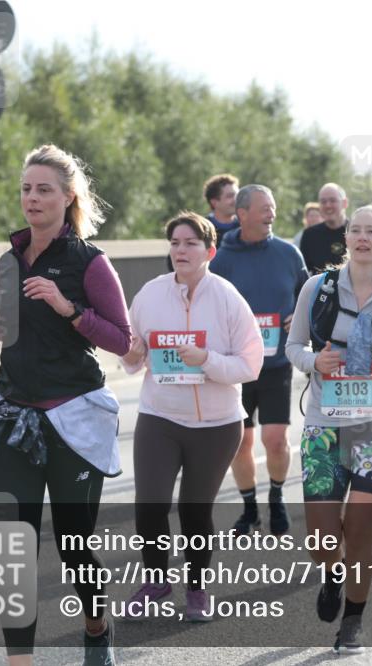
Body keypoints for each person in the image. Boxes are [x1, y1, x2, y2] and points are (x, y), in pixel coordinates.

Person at [0, 144, 132, 666]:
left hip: (73, 419)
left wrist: (69, 308)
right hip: (14, 418)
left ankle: (97, 625)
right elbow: (15, 336)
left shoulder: (90, 262)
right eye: (25, 189)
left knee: (74, 548)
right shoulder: (7, 262)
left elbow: (123, 341)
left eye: (43, 189)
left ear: (68, 197)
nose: (31, 198)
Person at [285, 205, 372, 654]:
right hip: (326, 426)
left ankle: (353, 621)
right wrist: (314, 361)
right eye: (355, 230)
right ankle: (333, 572)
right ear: (345, 239)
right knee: (323, 540)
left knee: (361, 532)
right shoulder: (317, 288)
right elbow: (292, 345)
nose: (362, 237)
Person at [120, 211, 263, 622]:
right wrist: (131, 352)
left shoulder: (228, 298)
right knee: (149, 504)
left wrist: (207, 360)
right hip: (160, 417)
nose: (180, 250)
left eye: (190, 244)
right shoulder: (150, 293)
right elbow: (133, 353)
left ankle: (197, 588)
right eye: (175, 243)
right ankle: (155, 580)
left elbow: (250, 365)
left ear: (210, 251)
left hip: (217, 425)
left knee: (194, 510)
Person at [210, 185, 309, 536]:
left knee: (276, 440)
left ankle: (277, 498)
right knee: (241, 442)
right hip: (236, 367)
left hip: (277, 363)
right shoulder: (222, 259)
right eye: (264, 208)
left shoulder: (288, 253)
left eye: (273, 207)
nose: (272, 214)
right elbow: (209, 305)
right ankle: (250, 507)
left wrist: (299, 313)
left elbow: (308, 295)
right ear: (242, 214)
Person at [300, 182, 350, 274]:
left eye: (332, 200)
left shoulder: (357, 232)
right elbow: (303, 272)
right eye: (323, 202)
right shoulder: (310, 235)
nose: (328, 205)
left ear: (344, 203)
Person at [203, 173, 240, 247]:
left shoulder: (245, 227)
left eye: (237, 195)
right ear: (214, 202)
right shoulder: (202, 230)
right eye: (230, 196)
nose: (236, 199)